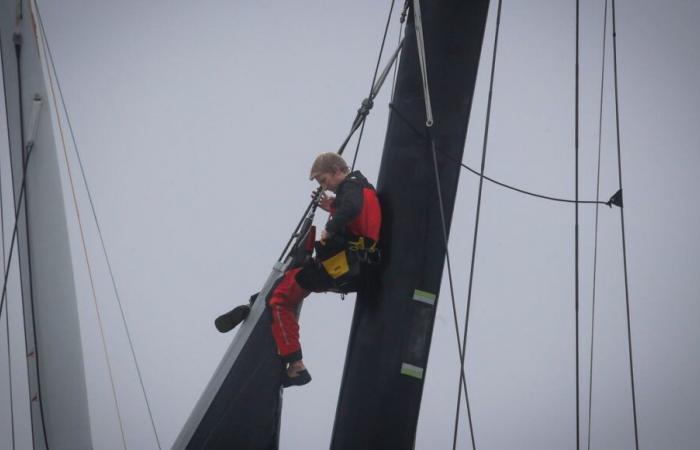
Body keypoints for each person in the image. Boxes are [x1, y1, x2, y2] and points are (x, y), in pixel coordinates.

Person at [270, 152, 381, 387]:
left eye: (323, 180)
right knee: (297, 278)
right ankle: (286, 285)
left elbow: (351, 208)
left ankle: (296, 367)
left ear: (336, 170)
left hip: (341, 265)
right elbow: (357, 212)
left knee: (279, 300)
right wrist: (331, 205)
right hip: (355, 267)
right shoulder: (363, 186)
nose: (324, 186)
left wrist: (330, 227)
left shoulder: (350, 189)